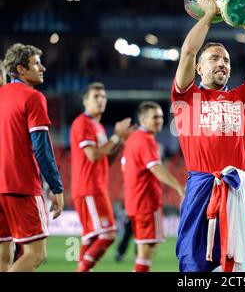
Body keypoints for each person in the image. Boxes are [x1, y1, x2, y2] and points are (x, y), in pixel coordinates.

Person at [172, 0, 245, 272]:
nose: (222, 63)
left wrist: (243, 18)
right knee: (195, 265)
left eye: (227, 60)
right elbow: (188, 51)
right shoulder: (186, 97)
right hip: (201, 187)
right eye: (215, 58)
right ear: (199, 68)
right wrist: (208, 15)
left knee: (241, 267)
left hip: (237, 189)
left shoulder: (244, 98)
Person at [0, 43, 64, 272]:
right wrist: (56, 188)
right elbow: (42, 149)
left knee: (3, 256)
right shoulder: (33, 97)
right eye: (37, 63)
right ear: (21, 70)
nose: (43, 68)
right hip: (22, 186)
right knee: (36, 254)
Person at [70, 82, 131, 272]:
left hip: (95, 187)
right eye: (96, 97)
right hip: (89, 187)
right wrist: (115, 137)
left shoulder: (97, 126)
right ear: (85, 101)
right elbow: (93, 155)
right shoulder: (83, 123)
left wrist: (121, 140)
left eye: (103, 97)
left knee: (92, 236)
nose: (101, 100)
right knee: (108, 234)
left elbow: (106, 159)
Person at [121, 101, 184, 272]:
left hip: (134, 202)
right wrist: (178, 187)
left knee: (144, 251)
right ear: (142, 119)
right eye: (154, 117)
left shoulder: (132, 139)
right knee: (146, 252)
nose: (159, 120)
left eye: (161, 117)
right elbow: (155, 167)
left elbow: (124, 166)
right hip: (146, 203)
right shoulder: (146, 139)